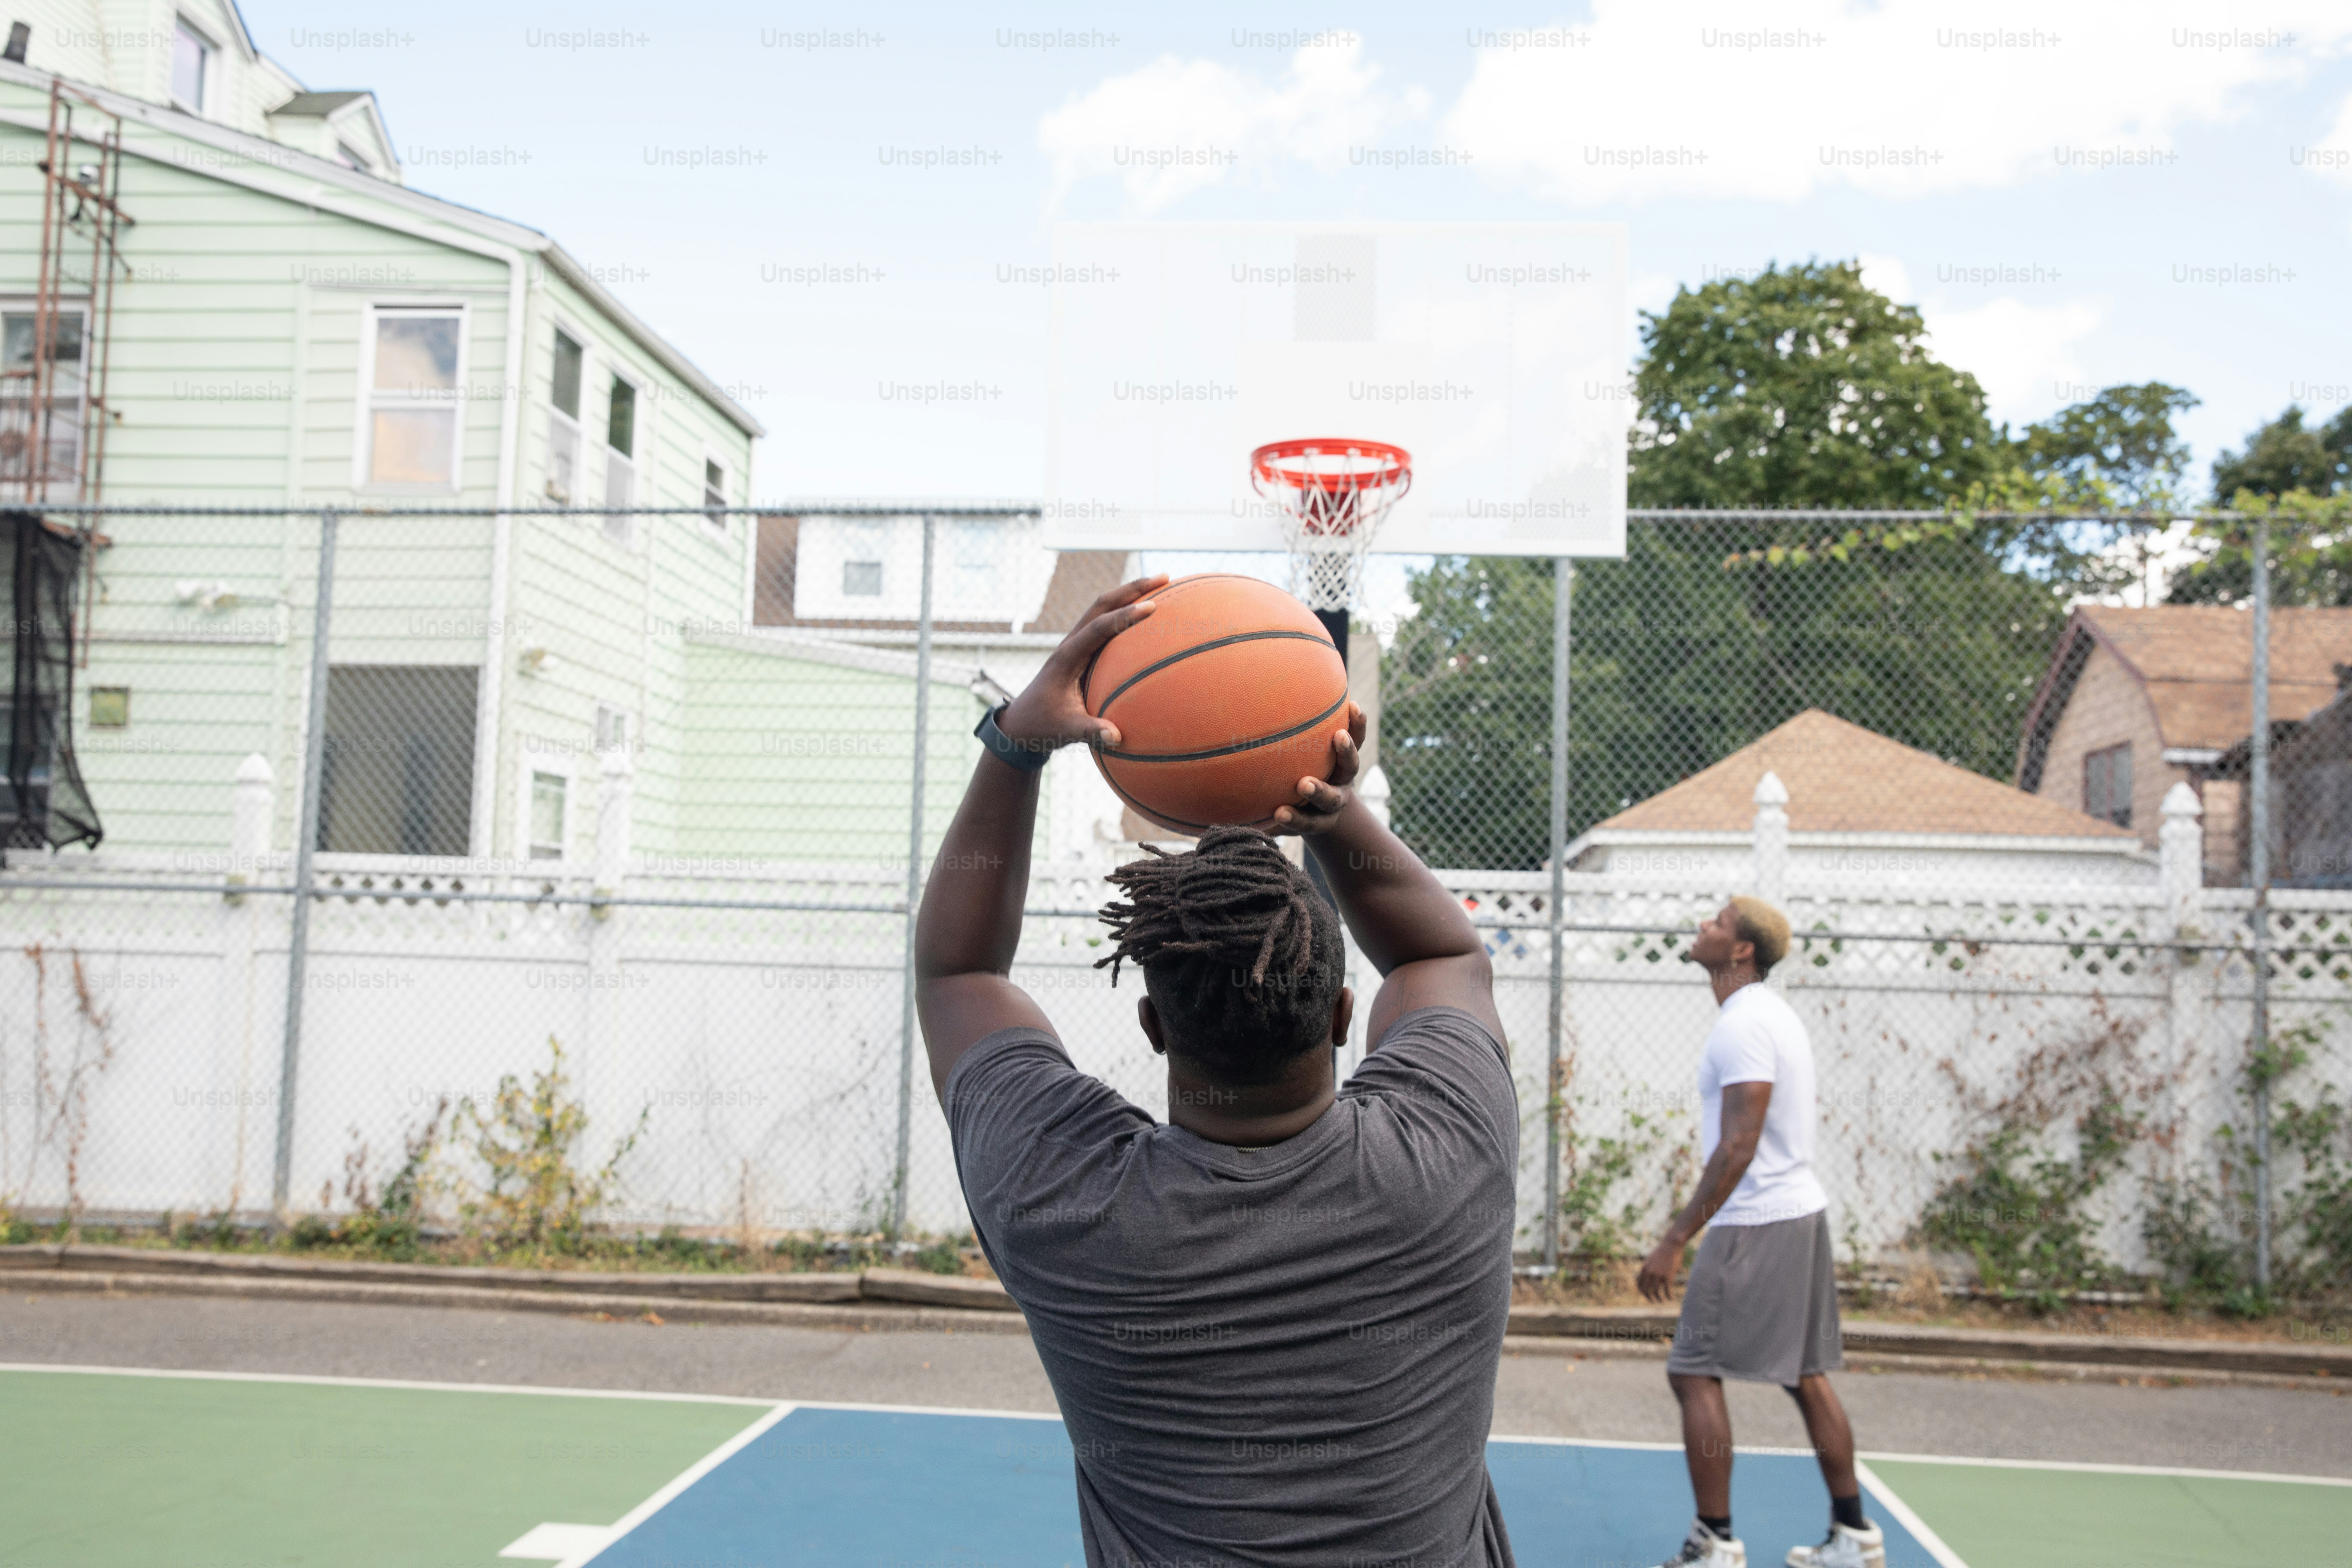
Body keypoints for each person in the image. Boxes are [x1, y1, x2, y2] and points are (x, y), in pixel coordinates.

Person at [915, 573, 1519, 1568]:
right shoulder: (1449, 1154)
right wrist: (1333, 812)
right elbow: (1440, 959)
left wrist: (1017, 743)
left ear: (1154, 1025)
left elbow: (958, 972)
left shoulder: (1062, 1201)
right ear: (1339, 1016)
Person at [1637, 898, 1883, 1568]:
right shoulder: (1764, 1015)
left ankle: (1715, 1541)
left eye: (1716, 922)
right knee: (1805, 1374)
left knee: (1693, 1372)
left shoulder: (1744, 1023)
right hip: (1798, 1213)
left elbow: (1738, 1144)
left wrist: (1675, 1238)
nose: (1702, 926)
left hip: (1758, 1220)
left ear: (1741, 950)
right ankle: (1854, 1535)